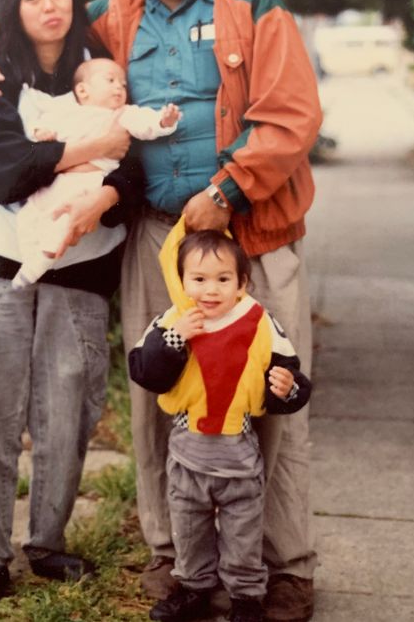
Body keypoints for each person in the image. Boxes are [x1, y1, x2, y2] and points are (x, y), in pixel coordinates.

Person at [0, 0, 323, 622]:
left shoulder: (253, 6)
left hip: (252, 232)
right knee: (158, 395)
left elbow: (291, 115)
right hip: (158, 238)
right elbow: (28, 22)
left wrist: (226, 191)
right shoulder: (113, 14)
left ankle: (285, 567)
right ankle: (177, 560)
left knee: (275, 393)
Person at [0, 0, 140, 609]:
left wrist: (105, 173)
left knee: (66, 411)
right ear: (13, 10)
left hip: (82, 267)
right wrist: (93, 148)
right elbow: (2, 172)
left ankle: (48, 541)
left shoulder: (110, 74)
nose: (49, 4)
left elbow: (138, 168)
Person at [129, 225, 312, 622]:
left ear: (242, 283)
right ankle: (194, 588)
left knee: (243, 531)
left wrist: (287, 387)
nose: (210, 290)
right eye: (198, 279)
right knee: (189, 527)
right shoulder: (172, 321)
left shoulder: (259, 322)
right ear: (181, 281)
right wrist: (174, 339)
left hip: (238, 456)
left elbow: (291, 374)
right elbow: (144, 372)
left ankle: (245, 597)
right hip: (187, 452)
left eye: (222, 279)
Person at [12, 58, 180, 287]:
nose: (118, 88)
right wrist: (43, 132)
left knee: (63, 222)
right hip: (59, 179)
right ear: (82, 90)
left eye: (123, 84)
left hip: (89, 181)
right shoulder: (68, 112)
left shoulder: (123, 114)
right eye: (110, 81)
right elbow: (44, 124)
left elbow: (146, 124)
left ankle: (37, 265)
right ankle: (29, 256)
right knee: (28, 216)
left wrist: (163, 120)